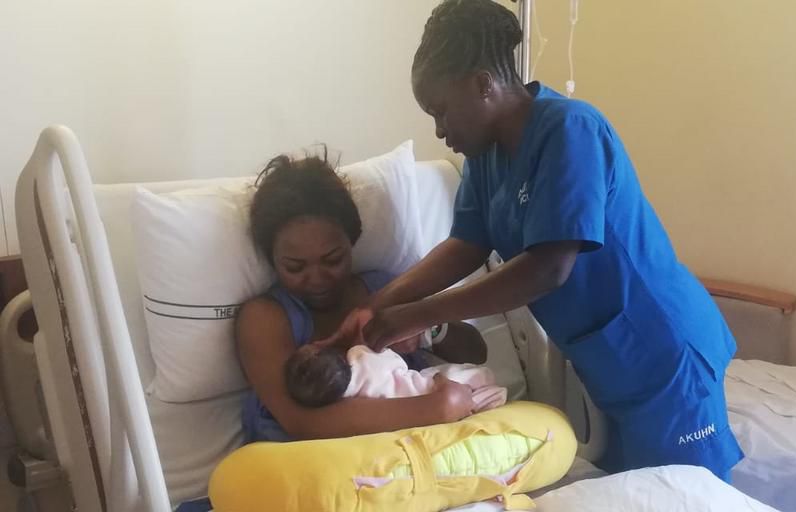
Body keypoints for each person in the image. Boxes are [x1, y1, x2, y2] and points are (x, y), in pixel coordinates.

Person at [346, 0, 744, 480]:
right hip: (609, 358)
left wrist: (419, 315)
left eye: (442, 111)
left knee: (688, 495)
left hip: (662, 351)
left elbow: (549, 267)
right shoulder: (483, 156)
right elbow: (465, 245)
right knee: (634, 492)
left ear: (482, 84)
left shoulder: (570, 129)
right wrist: (378, 305)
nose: (439, 129)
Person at [234, 150, 487, 443]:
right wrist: (439, 406)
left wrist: (430, 329)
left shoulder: (384, 289)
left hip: (417, 448)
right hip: (315, 463)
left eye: (332, 259)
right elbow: (302, 422)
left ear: (352, 241)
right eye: (295, 267)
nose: (316, 278)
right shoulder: (265, 318)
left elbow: (476, 354)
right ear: (273, 260)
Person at [284, 342, 507, 412]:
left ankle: (487, 400)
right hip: (429, 386)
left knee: (481, 396)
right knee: (478, 376)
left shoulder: (346, 401)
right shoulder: (359, 355)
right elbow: (395, 361)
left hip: (425, 414)